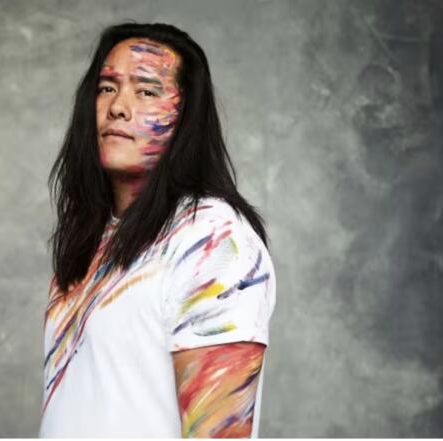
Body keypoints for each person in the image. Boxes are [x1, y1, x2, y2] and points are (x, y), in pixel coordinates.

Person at [42, 22, 276, 438]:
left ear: (184, 116)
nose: (118, 107)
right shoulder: (90, 241)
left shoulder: (211, 241)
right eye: (107, 87)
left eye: (147, 90)